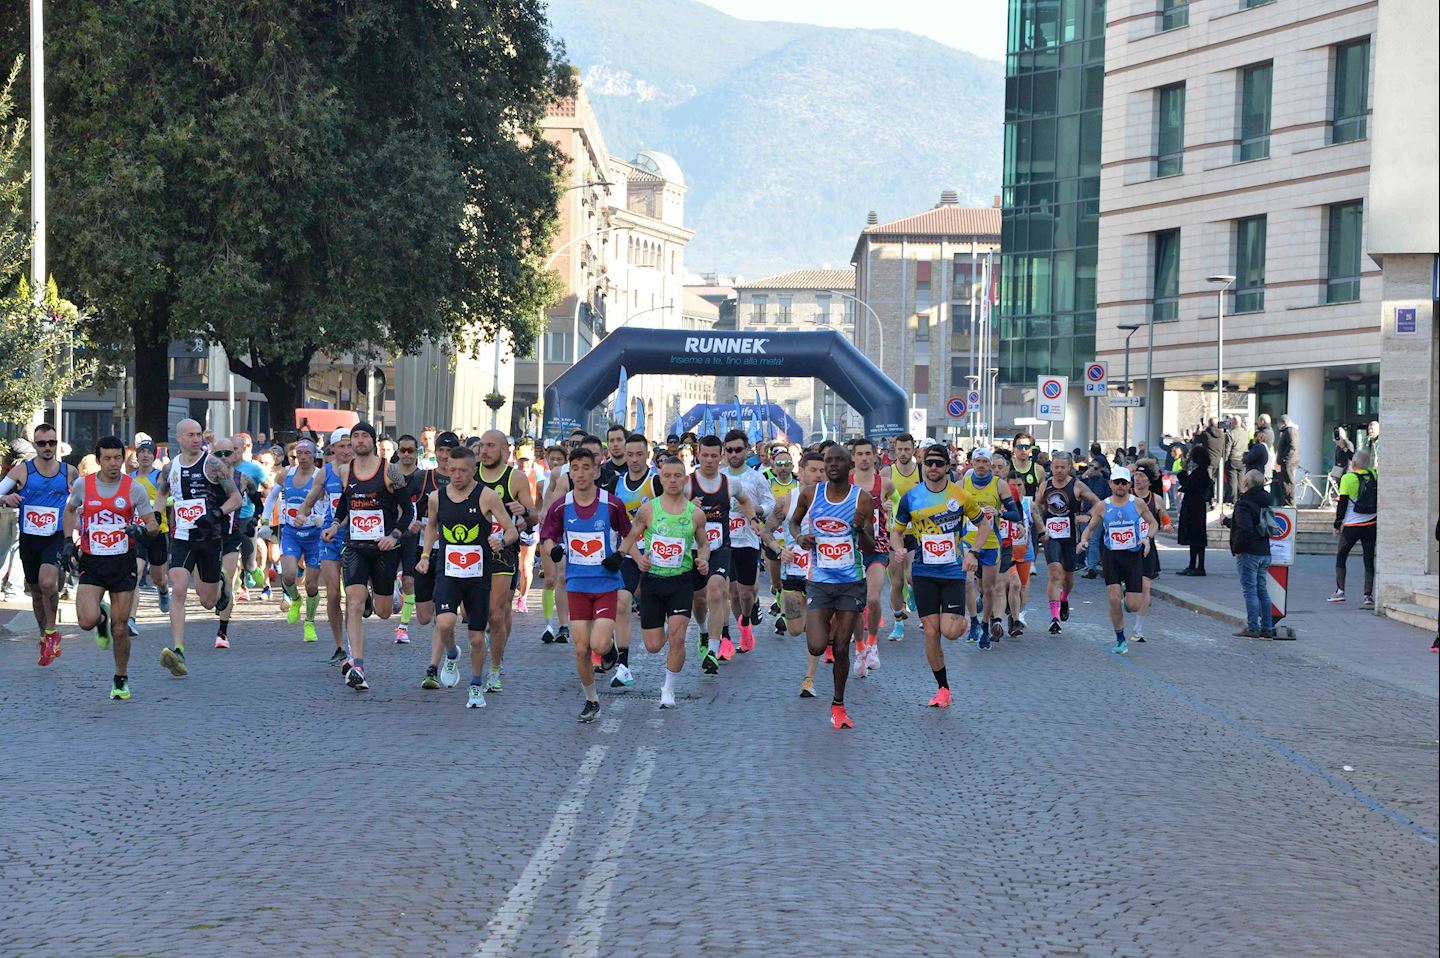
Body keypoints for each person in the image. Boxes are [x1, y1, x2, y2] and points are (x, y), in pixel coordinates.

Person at [416, 445, 518, 708]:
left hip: (478, 576)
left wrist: (502, 542)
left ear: (474, 470)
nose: (457, 475)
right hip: (448, 572)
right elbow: (431, 527)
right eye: (453, 470)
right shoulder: (437, 497)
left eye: (463, 470)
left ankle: (475, 686)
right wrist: (426, 556)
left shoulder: (486, 496)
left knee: (475, 637)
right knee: (445, 623)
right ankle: (451, 655)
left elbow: (511, 530)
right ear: (447, 469)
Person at [60, 436, 161, 699]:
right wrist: (67, 542)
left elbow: (152, 524)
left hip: (122, 561)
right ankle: (100, 619)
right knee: (86, 621)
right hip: (93, 561)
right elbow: (70, 510)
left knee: (121, 628)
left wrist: (141, 530)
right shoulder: (84, 485)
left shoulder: (133, 488)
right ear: (98, 460)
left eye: (118, 457)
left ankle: (120, 678)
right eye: (107, 458)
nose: (113, 463)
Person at [318, 422, 415, 691]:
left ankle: (390, 591)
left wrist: (393, 536)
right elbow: (344, 505)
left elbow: (408, 511)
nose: (359, 441)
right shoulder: (345, 470)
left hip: (384, 549)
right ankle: (357, 664)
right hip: (355, 547)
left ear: (372, 441)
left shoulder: (389, 470)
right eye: (355, 437)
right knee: (355, 603)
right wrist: (335, 526)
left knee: (384, 613)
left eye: (364, 436)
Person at [890, 443, 988, 706]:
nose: (932, 468)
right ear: (923, 466)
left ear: (947, 467)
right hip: (923, 572)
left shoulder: (960, 496)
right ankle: (943, 689)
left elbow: (984, 525)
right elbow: (896, 531)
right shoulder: (911, 497)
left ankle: (962, 624)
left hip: (953, 571)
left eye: (938, 463)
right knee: (931, 632)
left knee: (950, 631)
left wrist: (973, 553)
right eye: (928, 463)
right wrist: (898, 549)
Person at [540, 445, 631, 723]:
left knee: (599, 644)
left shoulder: (612, 503)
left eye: (585, 468)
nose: (580, 474)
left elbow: (630, 533)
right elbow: (548, 538)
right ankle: (591, 700)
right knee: (581, 648)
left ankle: (610, 649)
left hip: (605, 583)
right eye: (575, 468)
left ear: (596, 470)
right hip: (577, 583)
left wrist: (620, 555)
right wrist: (553, 549)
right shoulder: (561, 506)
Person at [789, 443, 875, 729]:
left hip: (851, 582)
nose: (834, 465)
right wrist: (800, 538)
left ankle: (838, 704)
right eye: (829, 460)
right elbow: (794, 524)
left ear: (850, 465)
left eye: (840, 461)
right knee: (815, 644)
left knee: (840, 647)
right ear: (824, 465)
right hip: (820, 581)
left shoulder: (862, 500)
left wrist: (860, 529)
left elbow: (870, 546)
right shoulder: (810, 494)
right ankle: (826, 630)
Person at [158, 419, 243, 677]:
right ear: (179, 438)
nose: (197, 440)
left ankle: (222, 581)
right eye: (191, 435)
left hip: (209, 537)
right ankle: (179, 650)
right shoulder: (170, 468)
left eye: (199, 435)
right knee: (179, 590)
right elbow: (162, 494)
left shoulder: (213, 465)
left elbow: (236, 498)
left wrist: (216, 513)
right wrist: (154, 517)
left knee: (208, 602)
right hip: (182, 537)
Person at [625, 455, 710, 709]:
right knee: (653, 646)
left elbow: (704, 544)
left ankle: (668, 689)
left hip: (681, 582)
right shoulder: (649, 509)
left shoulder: (696, 513)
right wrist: (639, 559)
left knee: (678, 637)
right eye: (667, 476)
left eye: (677, 476)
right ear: (660, 479)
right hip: (652, 582)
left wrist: (703, 560)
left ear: (685, 480)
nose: (672, 481)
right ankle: (658, 639)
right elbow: (629, 538)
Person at [0, 422, 78, 664]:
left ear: (57, 445)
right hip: (29, 538)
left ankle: (53, 632)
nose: (47, 447)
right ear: (35, 445)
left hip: (55, 537)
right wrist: (6, 497)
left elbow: (83, 501)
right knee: (35, 593)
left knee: (47, 582)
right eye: (42, 443)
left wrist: (74, 535)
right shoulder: (22, 471)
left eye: (52, 443)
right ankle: (44, 635)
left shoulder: (69, 471)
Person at [474, 430, 538, 691]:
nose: (485, 451)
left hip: (503, 550)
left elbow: (534, 516)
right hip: (470, 553)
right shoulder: (469, 474)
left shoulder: (516, 478)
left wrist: (525, 513)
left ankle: (495, 668)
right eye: (481, 446)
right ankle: (490, 643)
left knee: (495, 613)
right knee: (470, 613)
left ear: (504, 450)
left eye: (491, 445)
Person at [689, 435, 758, 673]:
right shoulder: (687, 484)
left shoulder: (730, 483)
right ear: (698, 455)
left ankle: (714, 650)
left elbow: (746, 501)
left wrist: (752, 519)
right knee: (698, 601)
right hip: (693, 549)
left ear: (721, 457)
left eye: (713, 456)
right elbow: (669, 508)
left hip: (721, 547)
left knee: (717, 591)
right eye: (704, 455)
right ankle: (703, 632)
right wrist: (689, 508)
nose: (709, 460)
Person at [1077, 466, 1157, 655]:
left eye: (1124, 482)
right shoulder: (1103, 506)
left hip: (1133, 556)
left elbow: (1153, 523)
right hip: (1112, 556)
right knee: (1113, 598)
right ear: (1110, 484)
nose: (1120, 486)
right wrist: (1083, 540)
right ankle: (1120, 639)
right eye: (1117, 482)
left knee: (1133, 605)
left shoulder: (1137, 503)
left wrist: (1147, 538)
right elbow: (1091, 527)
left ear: (1129, 484)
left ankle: (1125, 599)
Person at [767, 451, 824, 696]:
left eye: (822, 470)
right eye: (813, 470)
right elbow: (766, 531)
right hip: (793, 571)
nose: (818, 474)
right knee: (794, 629)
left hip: (822, 575)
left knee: (814, 630)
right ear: (800, 472)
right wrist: (779, 551)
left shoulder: (834, 499)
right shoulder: (787, 502)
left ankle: (809, 679)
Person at [297, 428, 355, 664]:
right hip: (330, 538)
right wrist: (302, 513)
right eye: (340, 446)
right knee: (333, 592)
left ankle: (353, 642)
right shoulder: (325, 473)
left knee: (353, 594)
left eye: (349, 445)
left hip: (355, 536)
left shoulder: (362, 471)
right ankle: (340, 645)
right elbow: (310, 499)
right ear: (332, 449)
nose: (346, 451)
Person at [611, 432, 662, 689]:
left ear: (648, 454)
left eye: (639, 454)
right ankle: (623, 666)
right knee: (621, 601)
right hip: (631, 552)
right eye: (629, 455)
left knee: (654, 642)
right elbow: (620, 528)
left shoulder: (656, 482)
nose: (633, 459)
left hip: (659, 555)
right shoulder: (616, 484)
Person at [720, 430, 775, 656]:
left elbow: (770, 503)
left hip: (748, 540)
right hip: (723, 542)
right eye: (729, 450)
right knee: (728, 592)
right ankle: (730, 636)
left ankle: (745, 621)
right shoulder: (719, 476)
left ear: (747, 451)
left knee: (745, 594)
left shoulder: (756, 478)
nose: (733, 454)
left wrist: (753, 509)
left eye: (738, 450)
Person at [1033, 451, 1100, 636]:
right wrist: (1040, 527)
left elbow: (1098, 504)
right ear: (1051, 467)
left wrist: (1087, 516)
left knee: (1068, 579)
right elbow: (1036, 507)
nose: (1059, 471)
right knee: (1055, 575)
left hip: (1070, 537)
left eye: (1063, 467)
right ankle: (1054, 618)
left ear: (1070, 467)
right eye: (1056, 467)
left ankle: (1064, 597)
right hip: (1051, 536)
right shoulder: (1045, 485)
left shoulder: (1077, 486)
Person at [265, 438, 326, 641]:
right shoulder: (286, 474)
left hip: (314, 535)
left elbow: (331, 501)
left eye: (307, 453)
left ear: (314, 455)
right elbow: (272, 497)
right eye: (299, 454)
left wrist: (322, 518)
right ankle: (295, 599)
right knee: (289, 575)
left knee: (311, 585)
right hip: (291, 531)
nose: (303, 457)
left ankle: (309, 622)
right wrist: (265, 520)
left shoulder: (320, 476)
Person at [959, 448, 1020, 647]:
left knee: (988, 589)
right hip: (969, 541)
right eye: (978, 462)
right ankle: (974, 622)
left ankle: (985, 626)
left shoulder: (999, 485)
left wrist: (998, 512)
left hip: (992, 543)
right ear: (972, 463)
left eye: (986, 462)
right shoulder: (964, 483)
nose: (982, 465)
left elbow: (1016, 514)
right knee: (968, 582)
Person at [848, 437, 893, 673]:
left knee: (873, 599)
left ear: (875, 456)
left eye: (868, 454)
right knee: (856, 604)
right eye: (860, 454)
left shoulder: (884, 483)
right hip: (850, 550)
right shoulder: (844, 483)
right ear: (853, 457)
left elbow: (894, 501)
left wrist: (888, 507)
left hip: (877, 546)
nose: (864, 458)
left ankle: (873, 643)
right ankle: (859, 647)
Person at [1226, 469, 1276, 638]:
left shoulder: (1244, 503)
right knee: (1262, 589)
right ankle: (1267, 628)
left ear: (1245, 483)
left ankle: (1253, 627)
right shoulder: (1266, 501)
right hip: (1265, 550)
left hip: (1249, 552)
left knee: (1250, 591)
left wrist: (1237, 548)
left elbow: (1245, 528)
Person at [882, 433, 921, 638]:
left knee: (912, 575)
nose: (904, 453)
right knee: (897, 582)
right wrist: (884, 504)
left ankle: (913, 591)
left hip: (916, 532)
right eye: (900, 449)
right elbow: (878, 500)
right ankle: (898, 623)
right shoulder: (887, 472)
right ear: (894, 450)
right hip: (894, 533)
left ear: (914, 449)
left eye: (907, 449)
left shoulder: (922, 472)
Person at [1329, 450, 1377, 609]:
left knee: (1341, 556)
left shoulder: (1347, 478)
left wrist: (1337, 524)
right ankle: (1368, 595)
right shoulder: (1373, 475)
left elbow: (1342, 505)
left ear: (1353, 463)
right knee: (1368, 559)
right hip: (1371, 523)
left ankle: (1340, 591)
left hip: (1351, 525)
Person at [130, 438, 172, 615]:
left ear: (154, 456)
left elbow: (170, 498)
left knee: (158, 578)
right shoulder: (129, 478)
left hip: (157, 532)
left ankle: (163, 590)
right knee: (135, 574)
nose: (145, 455)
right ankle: (131, 619)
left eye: (149, 452)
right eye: (142, 452)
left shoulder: (159, 476)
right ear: (137, 455)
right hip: (137, 532)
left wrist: (152, 505)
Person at [1130, 461, 1168, 641]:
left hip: (1147, 548)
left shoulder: (1157, 499)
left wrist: (1168, 524)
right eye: (1136, 475)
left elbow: (1164, 519)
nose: (1137, 479)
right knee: (1130, 589)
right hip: (1125, 547)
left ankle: (1138, 629)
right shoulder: (1125, 496)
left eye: (1142, 477)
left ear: (1149, 481)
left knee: (1146, 586)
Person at [1175, 446, 1213, 577]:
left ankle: (1199, 566)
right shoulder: (1201, 471)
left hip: (1194, 507)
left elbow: (1187, 485)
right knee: (1194, 537)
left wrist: (1183, 472)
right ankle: (1192, 565)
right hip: (1196, 506)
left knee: (1197, 537)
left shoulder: (1200, 472)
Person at [1274, 414, 1300, 507]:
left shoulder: (1290, 431)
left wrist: (1285, 459)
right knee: (1285, 482)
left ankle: (1289, 502)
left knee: (1287, 482)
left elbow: (1292, 446)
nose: (1278, 425)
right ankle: (1287, 502)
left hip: (1288, 462)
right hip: (1287, 462)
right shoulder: (1288, 431)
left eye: (1279, 423)